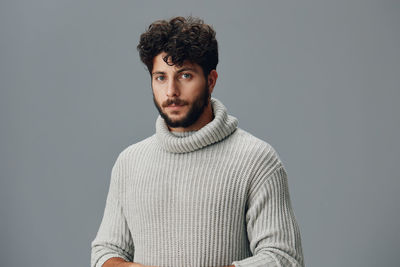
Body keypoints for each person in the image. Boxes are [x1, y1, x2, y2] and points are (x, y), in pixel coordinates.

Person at [91, 16, 304, 267]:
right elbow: (105, 252)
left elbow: (284, 258)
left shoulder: (256, 159)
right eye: (161, 77)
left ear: (211, 81)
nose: (171, 91)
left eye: (185, 75)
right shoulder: (130, 162)